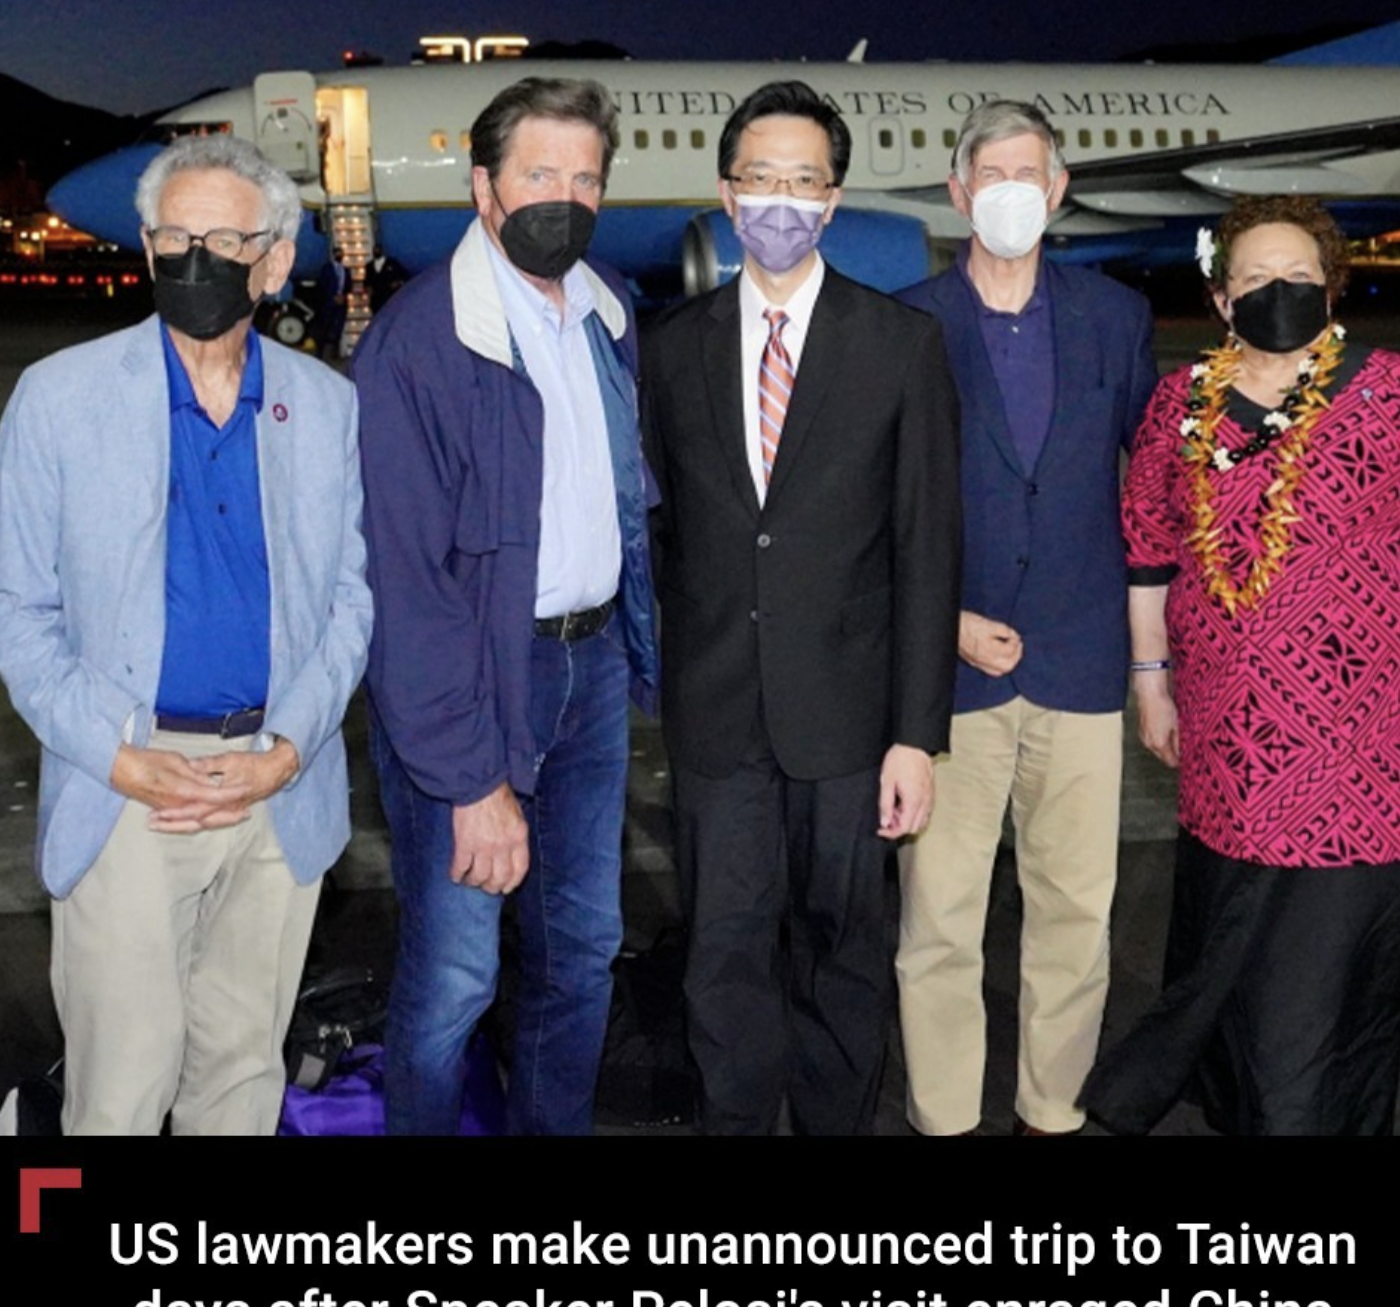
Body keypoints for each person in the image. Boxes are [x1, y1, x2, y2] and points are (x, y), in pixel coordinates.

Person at [0, 133, 372, 1135]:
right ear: (148, 247)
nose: (194, 260)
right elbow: (17, 609)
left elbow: (351, 599)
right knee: (120, 1090)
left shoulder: (326, 406)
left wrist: (288, 748)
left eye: (224, 242)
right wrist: (118, 756)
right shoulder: (60, 398)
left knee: (243, 1081)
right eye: (175, 238)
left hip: (276, 784)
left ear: (276, 262)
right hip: (130, 787)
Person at [1083, 194, 1400, 1136]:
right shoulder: (1181, 406)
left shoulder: (1399, 391)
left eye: (1298, 274)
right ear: (1222, 300)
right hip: (1233, 735)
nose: (1278, 290)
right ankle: (1243, 1102)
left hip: (1369, 743)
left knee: (1333, 955)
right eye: (1255, 277)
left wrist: (1361, 627)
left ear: (1331, 287)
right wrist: (1150, 683)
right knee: (1239, 936)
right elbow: (1149, 553)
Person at [641, 79, 962, 1135]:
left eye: (804, 182)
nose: (781, 201)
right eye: (761, 179)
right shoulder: (670, 347)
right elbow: (665, 534)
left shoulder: (900, 344)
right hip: (717, 717)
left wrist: (916, 736)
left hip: (849, 722)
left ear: (832, 200)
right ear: (726, 194)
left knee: (843, 955)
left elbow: (926, 550)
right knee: (722, 954)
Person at [353, 76, 657, 1136]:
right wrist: (470, 779)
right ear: (483, 187)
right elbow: (406, 587)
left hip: (590, 670)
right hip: (474, 682)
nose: (564, 199)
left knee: (581, 952)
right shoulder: (419, 344)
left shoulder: (606, 312)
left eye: (586, 178)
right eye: (539, 174)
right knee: (456, 977)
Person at [894, 101, 1156, 1137]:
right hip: (950, 673)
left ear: (1057, 190)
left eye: (1028, 174)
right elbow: (878, 506)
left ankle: (1054, 1111)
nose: (1011, 192)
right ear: (959, 192)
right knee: (939, 920)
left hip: (1080, 659)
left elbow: (1150, 487)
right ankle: (945, 1118)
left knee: (1074, 914)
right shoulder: (907, 324)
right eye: (990, 174)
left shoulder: (1114, 318)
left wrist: (1155, 661)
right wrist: (942, 619)